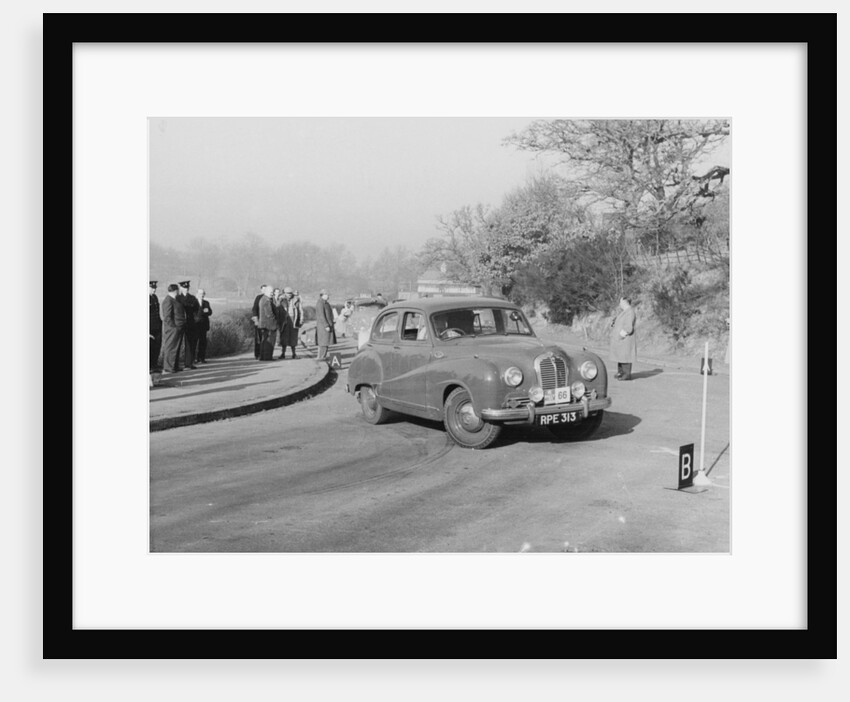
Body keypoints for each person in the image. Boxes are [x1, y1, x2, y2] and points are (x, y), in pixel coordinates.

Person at [160, 284, 187, 374]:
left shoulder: (175, 299)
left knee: (176, 347)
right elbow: (167, 317)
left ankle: (174, 366)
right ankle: (168, 367)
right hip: (173, 329)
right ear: (175, 291)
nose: (179, 292)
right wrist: (174, 327)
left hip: (178, 327)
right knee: (170, 347)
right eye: (178, 290)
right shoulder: (168, 301)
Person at [609, 296, 637, 380]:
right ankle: (620, 372)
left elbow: (628, 328)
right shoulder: (624, 312)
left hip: (625, 339)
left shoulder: (630, 312)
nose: (620, 304)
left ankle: (626, 374)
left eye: (620, 302)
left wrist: (620, 336)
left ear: (625, 302)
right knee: (620, 357)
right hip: (621, 340)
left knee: (626, 357)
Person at [178, 280, 199, 369]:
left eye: (187, 288)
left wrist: (195, 320)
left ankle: (189, 363)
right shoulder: (177, 298)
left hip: (190, 323)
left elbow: (197, 310)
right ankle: (176, 364)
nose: (186, 289)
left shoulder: (192, 298)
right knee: (177, 343)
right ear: (181, 288)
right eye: (184, 288)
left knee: (190, 343)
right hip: (180, 323)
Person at [279, 286, 302, 359]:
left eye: (290, 293)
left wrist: (301, 320)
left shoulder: (296, 300)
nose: (289, 295)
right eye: (288, 293)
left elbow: (300, 310)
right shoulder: (281, 300)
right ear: (284, 293)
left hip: (294, 320)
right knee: (284, 337)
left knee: (293, 337)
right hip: (284, 320)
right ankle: (283, 353)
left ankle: (294, 353)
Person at [257, 285, 279, 361]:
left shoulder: (263, 299)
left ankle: (263, 357)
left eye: (272, 292)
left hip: (264, 324)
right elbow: (269, 314)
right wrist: (275, 322)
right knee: (269, 341)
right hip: (269, 325)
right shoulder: (266, 301)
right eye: (271, 292)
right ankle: (268, 357)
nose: (272, 294)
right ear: (266, 292)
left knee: (264, 341)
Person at [315, 289, 337, 360]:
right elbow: (321, 316)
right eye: (327, 295)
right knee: (323, 342)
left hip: (327, 325)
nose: (328, 296)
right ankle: (320, 357)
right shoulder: (320, 303)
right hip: (323, 326)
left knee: (326, 342)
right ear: (322, 295)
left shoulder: (325, 303)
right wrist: (326, 325)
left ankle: (322, 357)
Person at [195, 288, 213, 363]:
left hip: (204, 325)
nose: (202, 295)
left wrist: (207, 312)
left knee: (203, 342)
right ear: (197, 294)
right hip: (195, 325)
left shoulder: (206, 303)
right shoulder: (194, 302)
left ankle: (201, 358)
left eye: (203, 294)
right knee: (194, 342)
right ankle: (193, 359)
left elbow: (210, 312)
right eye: (200, 294)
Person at [149, 280, 162, 371]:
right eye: (152, 288)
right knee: (150, 347)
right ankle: (149, 365)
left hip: (157, 325)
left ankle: (154, 364)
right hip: (149, 327)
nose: (154, 290)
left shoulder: (155, 297)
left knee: (157, 346)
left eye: (155, 288)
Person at [251, 284, 266, 359]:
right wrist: (256, 320)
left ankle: (265, 354)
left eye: (266, 289)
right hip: (259, 321)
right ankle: (258, 354)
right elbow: (254, 309)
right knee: (258, 338)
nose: (264, 291)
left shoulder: (270, 298)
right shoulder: (258, 297)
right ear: (261, 290)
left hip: (267, 321)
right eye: (263, 289)